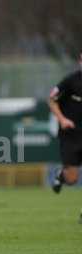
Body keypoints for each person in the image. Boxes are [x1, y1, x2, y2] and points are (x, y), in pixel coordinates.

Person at [49, 52, 82, 221]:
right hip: (70, 135)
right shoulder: (71, 81)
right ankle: (62, 175)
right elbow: (52, 99)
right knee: (72, 179)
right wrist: (62, 119)